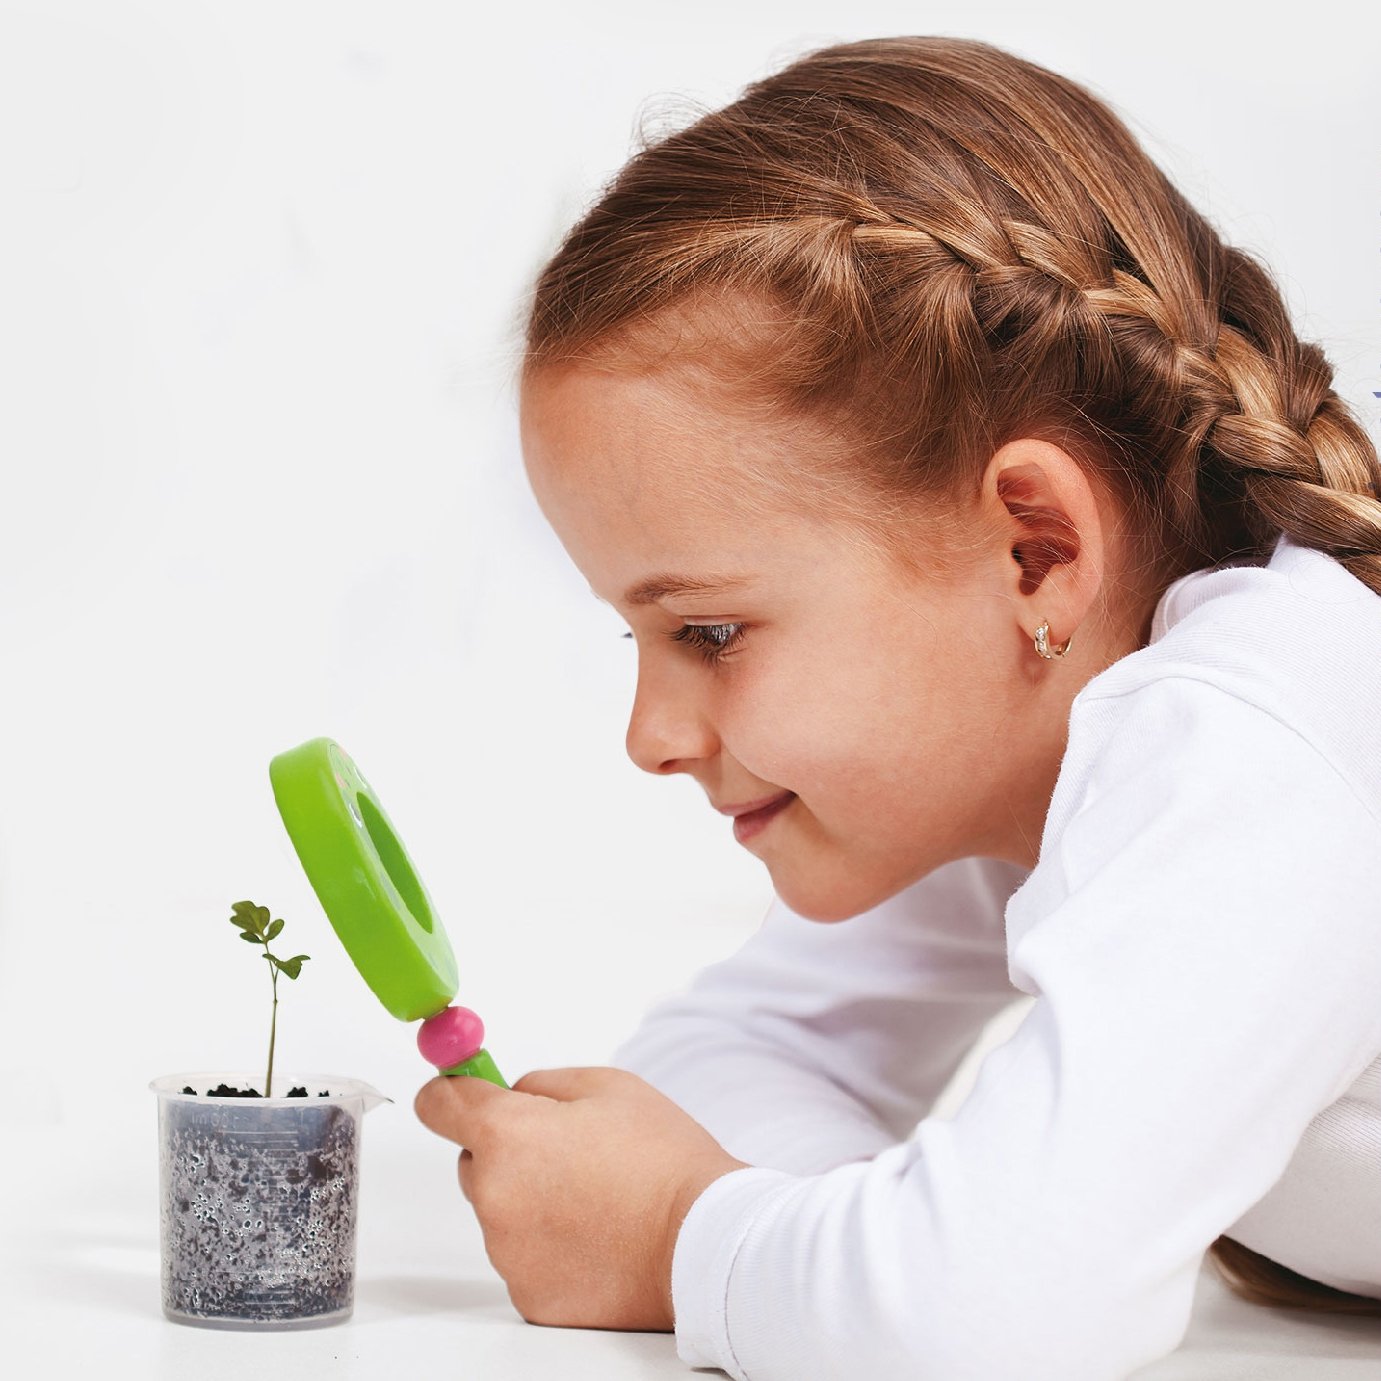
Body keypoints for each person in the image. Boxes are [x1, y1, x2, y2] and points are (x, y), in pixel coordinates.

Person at [413, 35, 1381, 1379]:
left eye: (707, 631)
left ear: (1035, 548)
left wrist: (685, 1238)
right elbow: (722, 1058)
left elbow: (997, 1307)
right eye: (637, 636)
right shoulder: (1008, 756)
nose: (650, 736)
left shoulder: (1251, 739)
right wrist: (852, 1242)